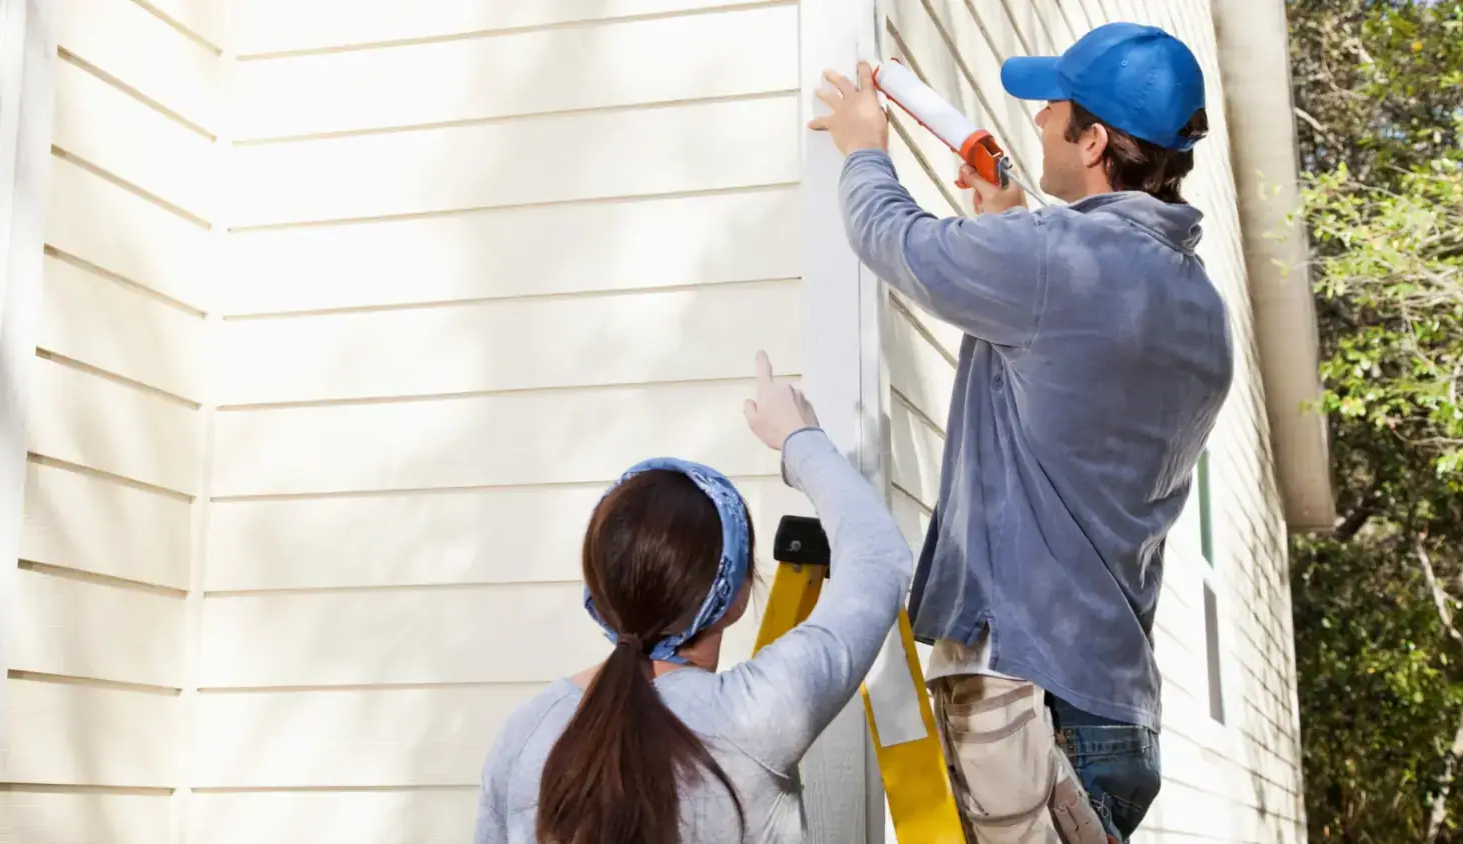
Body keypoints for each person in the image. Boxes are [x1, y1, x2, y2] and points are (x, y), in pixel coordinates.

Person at [808, 22, 1235, 844]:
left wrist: (865, 148)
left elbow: (890, 237)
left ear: (1097, 139)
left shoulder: (1053, 259)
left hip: (1025, 699)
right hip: (1117, 712)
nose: (1036, 118)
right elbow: (1071, 371)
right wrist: (1008, 219)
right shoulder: (1203, 309)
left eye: (1052, 106)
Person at [473, 350, 915, 844]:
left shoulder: (525, 735)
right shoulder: (751, 716)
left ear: (598, 588)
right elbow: (877, 559)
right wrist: (798, 438)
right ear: (737, 596)